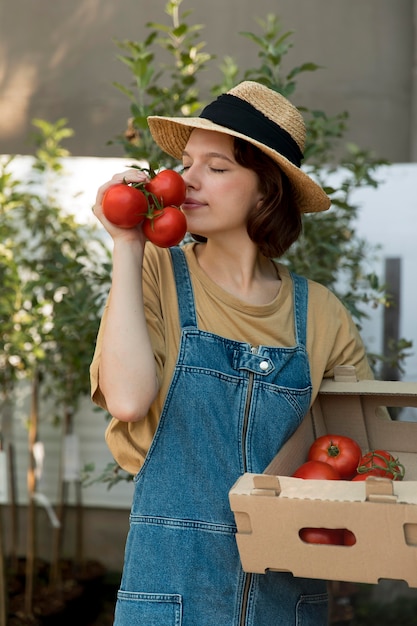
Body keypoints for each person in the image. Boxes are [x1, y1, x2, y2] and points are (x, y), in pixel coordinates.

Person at [90, 81, 374, 625]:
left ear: (266, 191)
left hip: (287, 602)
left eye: (216, 168)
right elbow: (127, 400)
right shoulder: (155, 274)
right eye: (186, 162)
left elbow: (352, 465)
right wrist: (127, 245)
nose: (185, 180)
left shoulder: (321, 314)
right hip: (170, 595)